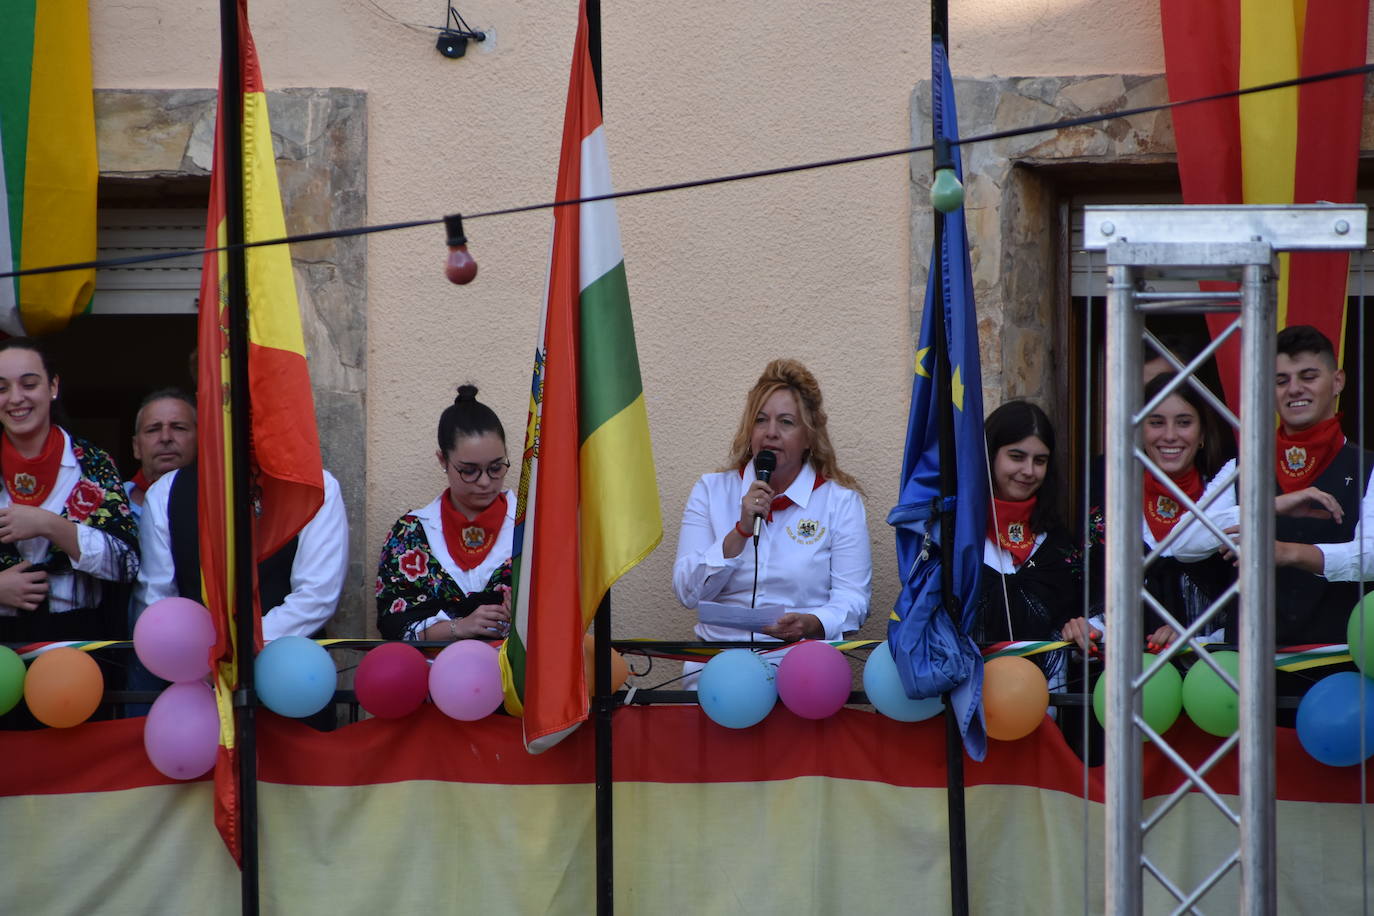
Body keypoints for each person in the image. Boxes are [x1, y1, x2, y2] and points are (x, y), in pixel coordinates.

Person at [1174, 325, 1374, 647]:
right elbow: (1181, 543)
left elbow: (1370, 558)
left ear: (1338, 381)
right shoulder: (1243, 466)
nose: (1294, 389)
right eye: (1281, 380)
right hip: (1249, 669)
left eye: (1308, 376)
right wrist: (1266, 507)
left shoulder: (1368, 466)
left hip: (1335, 666)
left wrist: (1287, 552)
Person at [673, 358, 871, 662]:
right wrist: (739, 532)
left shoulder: (839, 502)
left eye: (786, 422)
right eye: (761, 420)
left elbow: (853, 600)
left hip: (799, 667)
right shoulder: (711, 491)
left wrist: (812, 623)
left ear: (810, 436)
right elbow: (687, 592)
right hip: (718, 667)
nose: (771, 432)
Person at [1073, 373, 1236, 652]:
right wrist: (1087, 627)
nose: (1169, 435)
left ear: (1202, 435)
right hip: (1123, 680)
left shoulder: (1230, 499)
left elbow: (1245, 612)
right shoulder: (1111, 510)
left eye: (1184, 423)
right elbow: (1096, 602)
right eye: (1156, 423)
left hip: (1212, 675)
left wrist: (1190, 637)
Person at [0, 339, 139, 644]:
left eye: (29, 384)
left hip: (78, 639)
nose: (15, 398)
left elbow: (126, 563)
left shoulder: (93, 464)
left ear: (53, 387)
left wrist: (49, 525)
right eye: (2, 389)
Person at [134, 458, 348, 643]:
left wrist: (237, 647)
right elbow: (156, 599)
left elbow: (317, 595)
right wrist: (198, 648)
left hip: (288, 671)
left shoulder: (316, 486)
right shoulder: (166, 491)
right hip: (196, 672)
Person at [376, 385, 513, 641]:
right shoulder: (411, 532)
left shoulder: (534, 526)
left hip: (517, 675)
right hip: (431, 674)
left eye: (496, 468)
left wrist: (525, 613)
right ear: (443, 460)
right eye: (469, 470)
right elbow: (392, 622)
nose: (485, 482)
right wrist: (458, 627)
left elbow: (566, 607)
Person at [972, 401, 1084, 686]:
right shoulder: (958, 538)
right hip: (966, 709)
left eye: (1040, 461)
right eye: (1016, 456)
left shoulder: (1059, 544)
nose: (1029, 471)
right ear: (990, 455)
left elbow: (1071, 625)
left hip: (1045, 706)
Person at [123, 388, 196, 521]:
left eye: (178, 428)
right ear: (136, 446)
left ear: (200, 441)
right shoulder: (112, 504)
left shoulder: (220, 501)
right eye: (153, 430)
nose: (165, 437)